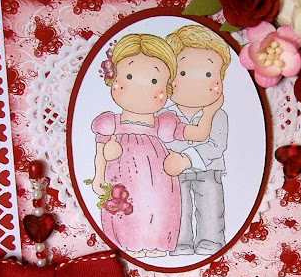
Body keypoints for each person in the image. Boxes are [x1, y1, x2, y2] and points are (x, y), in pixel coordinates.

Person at [91, 32, 222, 258]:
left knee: (158, 205)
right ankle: (128, 243)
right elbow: (99, 152)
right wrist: (98, 177)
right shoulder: (109, 123)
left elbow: (199, 134)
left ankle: (156, 243)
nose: (142, 88)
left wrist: (210, 112)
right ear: (113, 79)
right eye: (129, 76)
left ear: (167, 87)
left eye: (154, 81)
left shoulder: (163, 124)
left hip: (159, 182)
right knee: (127, 209)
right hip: (123, 180)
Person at [164, 24, 231, 256]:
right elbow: (164, 141)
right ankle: (179, 242)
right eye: (184, 74)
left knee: (211, 206)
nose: (198, 82)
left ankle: (210, 241)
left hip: (209, 171)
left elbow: (216, 146)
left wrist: (187, 158)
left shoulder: (218, 115)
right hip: (175, 175)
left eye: (209, 74)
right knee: (178, 206)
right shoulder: (166, 115)